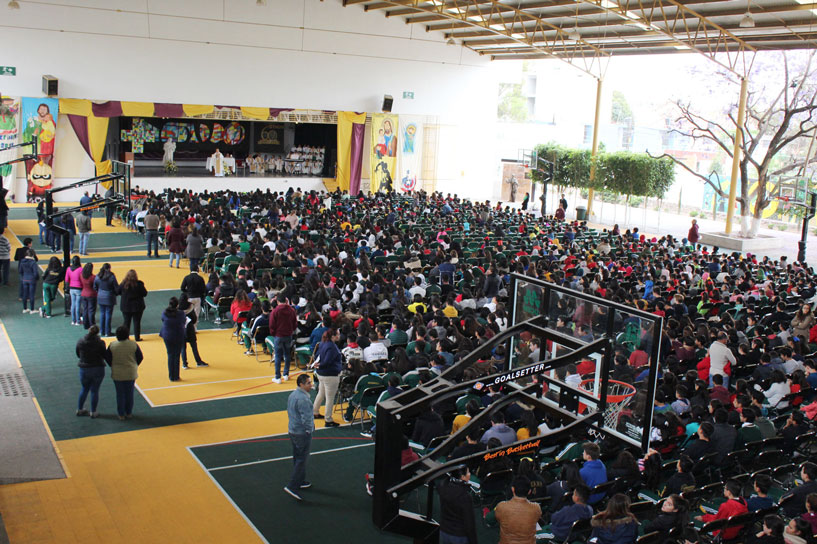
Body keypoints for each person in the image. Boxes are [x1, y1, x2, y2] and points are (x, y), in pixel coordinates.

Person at [284, 374, 314, 501]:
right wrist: (309, 429)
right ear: (301, 384)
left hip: (293, 430)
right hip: (301, 433)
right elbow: (306, 418)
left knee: (297, 456)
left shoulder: (293, 395)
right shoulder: (303, 400)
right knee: (302, 459)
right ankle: (292, 486)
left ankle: (300, 480)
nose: (311, 385)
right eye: (308, 383)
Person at [105, 325, 143, 420]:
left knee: (120, 394)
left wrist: (113, 365)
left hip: (117, 373)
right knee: (129, 393)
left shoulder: (112, 345)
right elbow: (140, 357)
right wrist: (134, 365)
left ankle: (121, 414)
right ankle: (129, 412)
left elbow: (107, 358)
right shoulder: (133, 344)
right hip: (130, 372)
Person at [437, 465, 478, 544]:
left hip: (444, 531)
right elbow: (469, 523)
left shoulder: (443, 486)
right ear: (462, 477)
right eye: (468, 472)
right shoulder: (465, 497)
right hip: (458, 536)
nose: (470, 474)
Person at [495, 476, 541, 544]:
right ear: (529, 491)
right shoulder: (536, 508)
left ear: (512, 489)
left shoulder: (501, 506)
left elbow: (497, 519)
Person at [312, 328, 342, 427]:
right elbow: (328, 361)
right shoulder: (332, 347)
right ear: (333, 336)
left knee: (321, 393)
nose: (339, 336)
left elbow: (317, 356)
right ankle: (328, 419)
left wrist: (318, 365)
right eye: (338, 334)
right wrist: (321, 365)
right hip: (330, 375)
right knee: (330, 398)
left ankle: (315, 412)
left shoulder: (322, 343)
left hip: (321, 374)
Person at [76, 325, 106, 418]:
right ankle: (93, 411)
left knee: (84, 389)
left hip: (84, 369)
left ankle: (79, 409)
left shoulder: (81, 341)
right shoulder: (100, 343)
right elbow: (104, 354)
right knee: (95, 390)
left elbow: (78, 353)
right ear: (97, 332)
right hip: (98, 368)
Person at [270, 293, 297, 384]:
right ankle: (286, 374)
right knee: (287, 354)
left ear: (277, 301)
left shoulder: (275, 311)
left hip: (278, 336)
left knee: (278, 356)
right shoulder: (292, 310)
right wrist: (291, 330)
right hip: (288, 335)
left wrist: (274, 334)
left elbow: (272, 325)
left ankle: (278, 377)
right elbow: (295, 323)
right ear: (286, 301)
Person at [159, 297, 186, 382]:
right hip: (178, 335)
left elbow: (162, 320)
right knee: (177, 355)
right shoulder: (181, 313)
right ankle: (176, 376)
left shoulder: (165, 313)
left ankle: (171, 376)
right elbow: (183, 321)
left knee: (170, 355)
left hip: (167, 336)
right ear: (177, 305)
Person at [180, 294, 208, 369]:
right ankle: (198, 362)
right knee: (194, 347)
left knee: (183, 348)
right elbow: (194, 319)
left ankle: (184, 364)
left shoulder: (178, 309)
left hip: (181, 330)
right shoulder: (190, 306)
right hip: (190, 329)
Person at [119, 269, 147, 341]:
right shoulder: (139, 284)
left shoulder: (123, 284)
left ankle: (126, 337)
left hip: (126, 307)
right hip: (137, 307)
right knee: (137, 322)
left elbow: (117, 291)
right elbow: (145, 293)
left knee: (126, 323)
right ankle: (137, 337)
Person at [93, 263, 117, 337]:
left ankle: (102, 331)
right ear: (109, 268)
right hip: (109, 296)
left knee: (102, 313)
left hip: (100, 296)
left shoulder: (98, 276)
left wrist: (99, 291)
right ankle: (107, 331)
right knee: (108, 314)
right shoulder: (111, 276)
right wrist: (115, 293)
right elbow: (116, 286)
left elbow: (95, 286)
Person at [19, 248, 40, 313]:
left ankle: (25, 308)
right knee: (31, 295)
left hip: (24, 279)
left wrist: (23, 277)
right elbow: (35, 273)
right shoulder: (33, 262)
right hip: (32, 280)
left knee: (25, 294)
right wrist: (37, 278)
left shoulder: (22, 261)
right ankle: (32, 309)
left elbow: (20, 271)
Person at [65, 255, 83, 325]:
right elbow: (82, 279)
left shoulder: (68, 269)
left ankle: (73, 320)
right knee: (78, 305)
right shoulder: (80, 269)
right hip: (79, 288)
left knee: (73, 304)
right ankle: (78, 320)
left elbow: (67, 280)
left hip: (71, 288)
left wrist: (67, 288)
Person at [79, 263, 97, 329]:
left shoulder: (81, 275)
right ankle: (92, 324)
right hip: (91, 295)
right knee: (91, 310)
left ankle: (86, 324)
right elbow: (95, 286)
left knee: (85, 310)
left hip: (83, 294)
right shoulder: (93, 277)